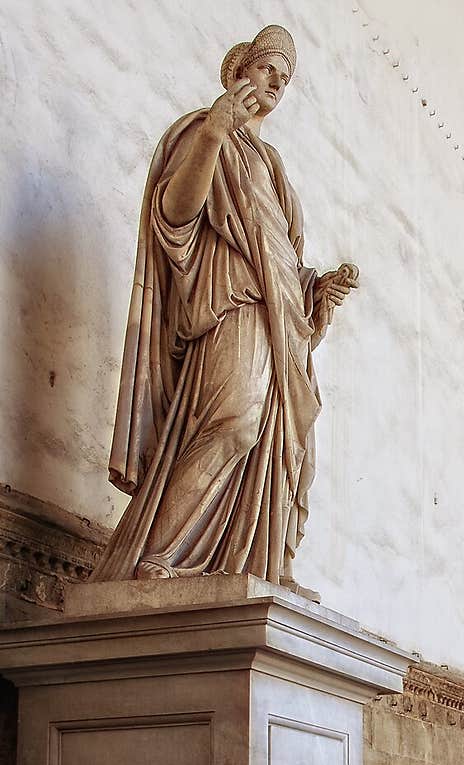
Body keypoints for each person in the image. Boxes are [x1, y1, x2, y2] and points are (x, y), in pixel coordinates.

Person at [91, 24, 357, 592]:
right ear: (242, 67)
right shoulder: (207, 132)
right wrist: (214, 132)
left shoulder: (275, 168)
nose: (276, 84)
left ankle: (250, 564)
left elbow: (282, 254)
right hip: (230, 305)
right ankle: (157, 557)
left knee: (275, 447)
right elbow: (174, 213)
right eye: (268, 69)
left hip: (279, 320)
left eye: (285, 78)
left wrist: (315, 289)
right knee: (234, 422)